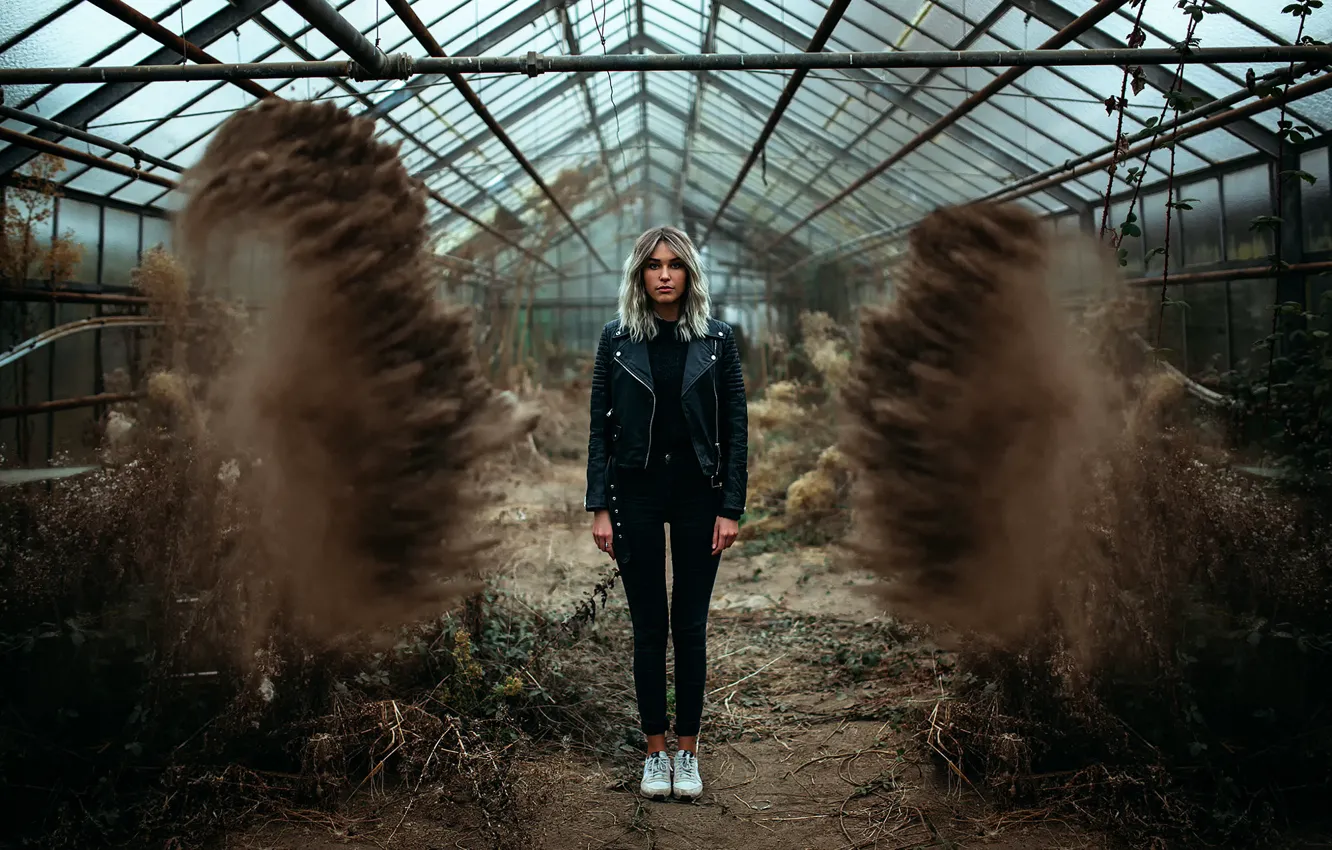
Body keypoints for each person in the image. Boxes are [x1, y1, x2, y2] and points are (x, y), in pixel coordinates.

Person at [584, 225, 748, 802]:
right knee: (650, 627)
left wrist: (730, 507)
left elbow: (735, 428)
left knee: (692, 627)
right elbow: (600, 424)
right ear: (639, 274)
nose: (663, 274)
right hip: (636, 494)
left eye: (674, 265)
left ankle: (689, 749)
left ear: (689, 275)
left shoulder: (718, 340)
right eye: (653, 265)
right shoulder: (617, 339)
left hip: (699, 495)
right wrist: (599, 504)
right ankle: (655, 752)